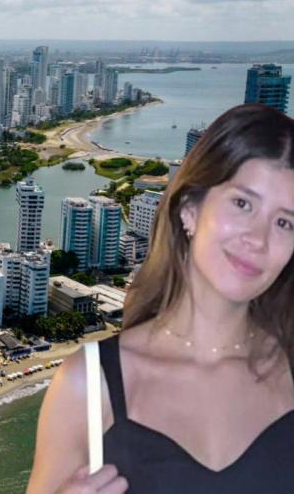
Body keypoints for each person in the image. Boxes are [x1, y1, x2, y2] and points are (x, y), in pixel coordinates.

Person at [26, 103, 294, 493]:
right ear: (189, 209)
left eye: (285, 222)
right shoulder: (89, 385)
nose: (258, 239)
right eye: (242, 203)